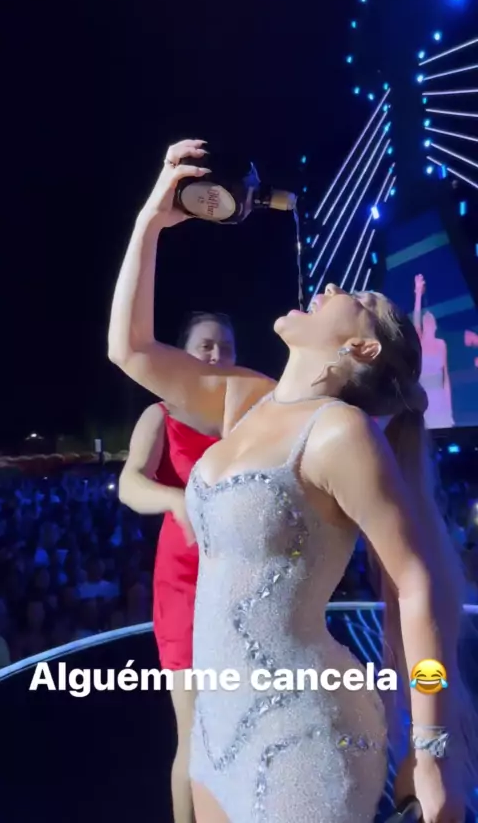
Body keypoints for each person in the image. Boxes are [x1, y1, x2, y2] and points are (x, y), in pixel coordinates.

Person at [108, 139, 476, 823]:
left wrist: (430, 746)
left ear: (359, 348)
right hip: (217, 729)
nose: (330, 288)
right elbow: (129, 349)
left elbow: (417, 587)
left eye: (354, 298)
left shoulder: (339, 433)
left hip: (306, 738)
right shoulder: (246, 401)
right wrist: (150, 221)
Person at [119, 310, 236, 823]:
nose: (217, 354)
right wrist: (174, 499)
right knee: (194, 728)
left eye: (226, 346)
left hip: (241, 579)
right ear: (181, 352)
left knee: (237, 718)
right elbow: (130, 484)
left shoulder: (247, 417)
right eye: (206, 344)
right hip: (186, 581)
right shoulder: (161, 414)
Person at [413, 274, 454, 428]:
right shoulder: (420, 342)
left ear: (435, 326)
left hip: (439, 399)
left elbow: (446, 377)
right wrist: (418, 293)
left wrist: (449, 408)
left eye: (431, 319)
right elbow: (416, 319)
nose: (428, 319)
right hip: (424, 399)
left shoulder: (441, 344)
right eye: (426, 319)